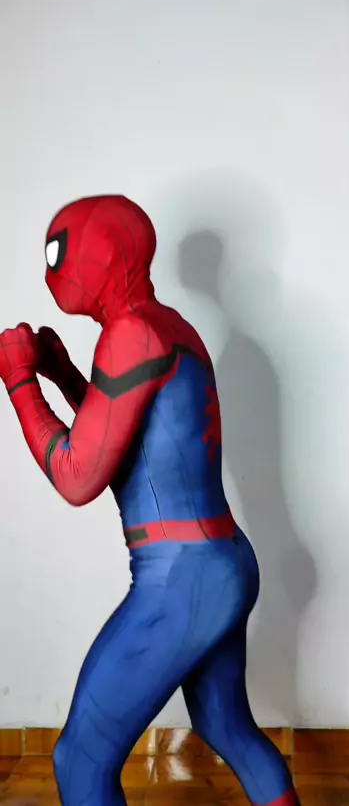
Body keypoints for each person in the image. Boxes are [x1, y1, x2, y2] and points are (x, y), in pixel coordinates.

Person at [0, 195, 300, 806]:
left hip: (181, 578)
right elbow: (132, 436)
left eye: (59, 252)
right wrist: (63, 375)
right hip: (221, 560)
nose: (52, 268)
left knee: (79, 759)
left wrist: (20, 382)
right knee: (227, 728)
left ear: (104, 252)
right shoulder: (169, 326)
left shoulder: (131, 333)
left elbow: (78, 475)